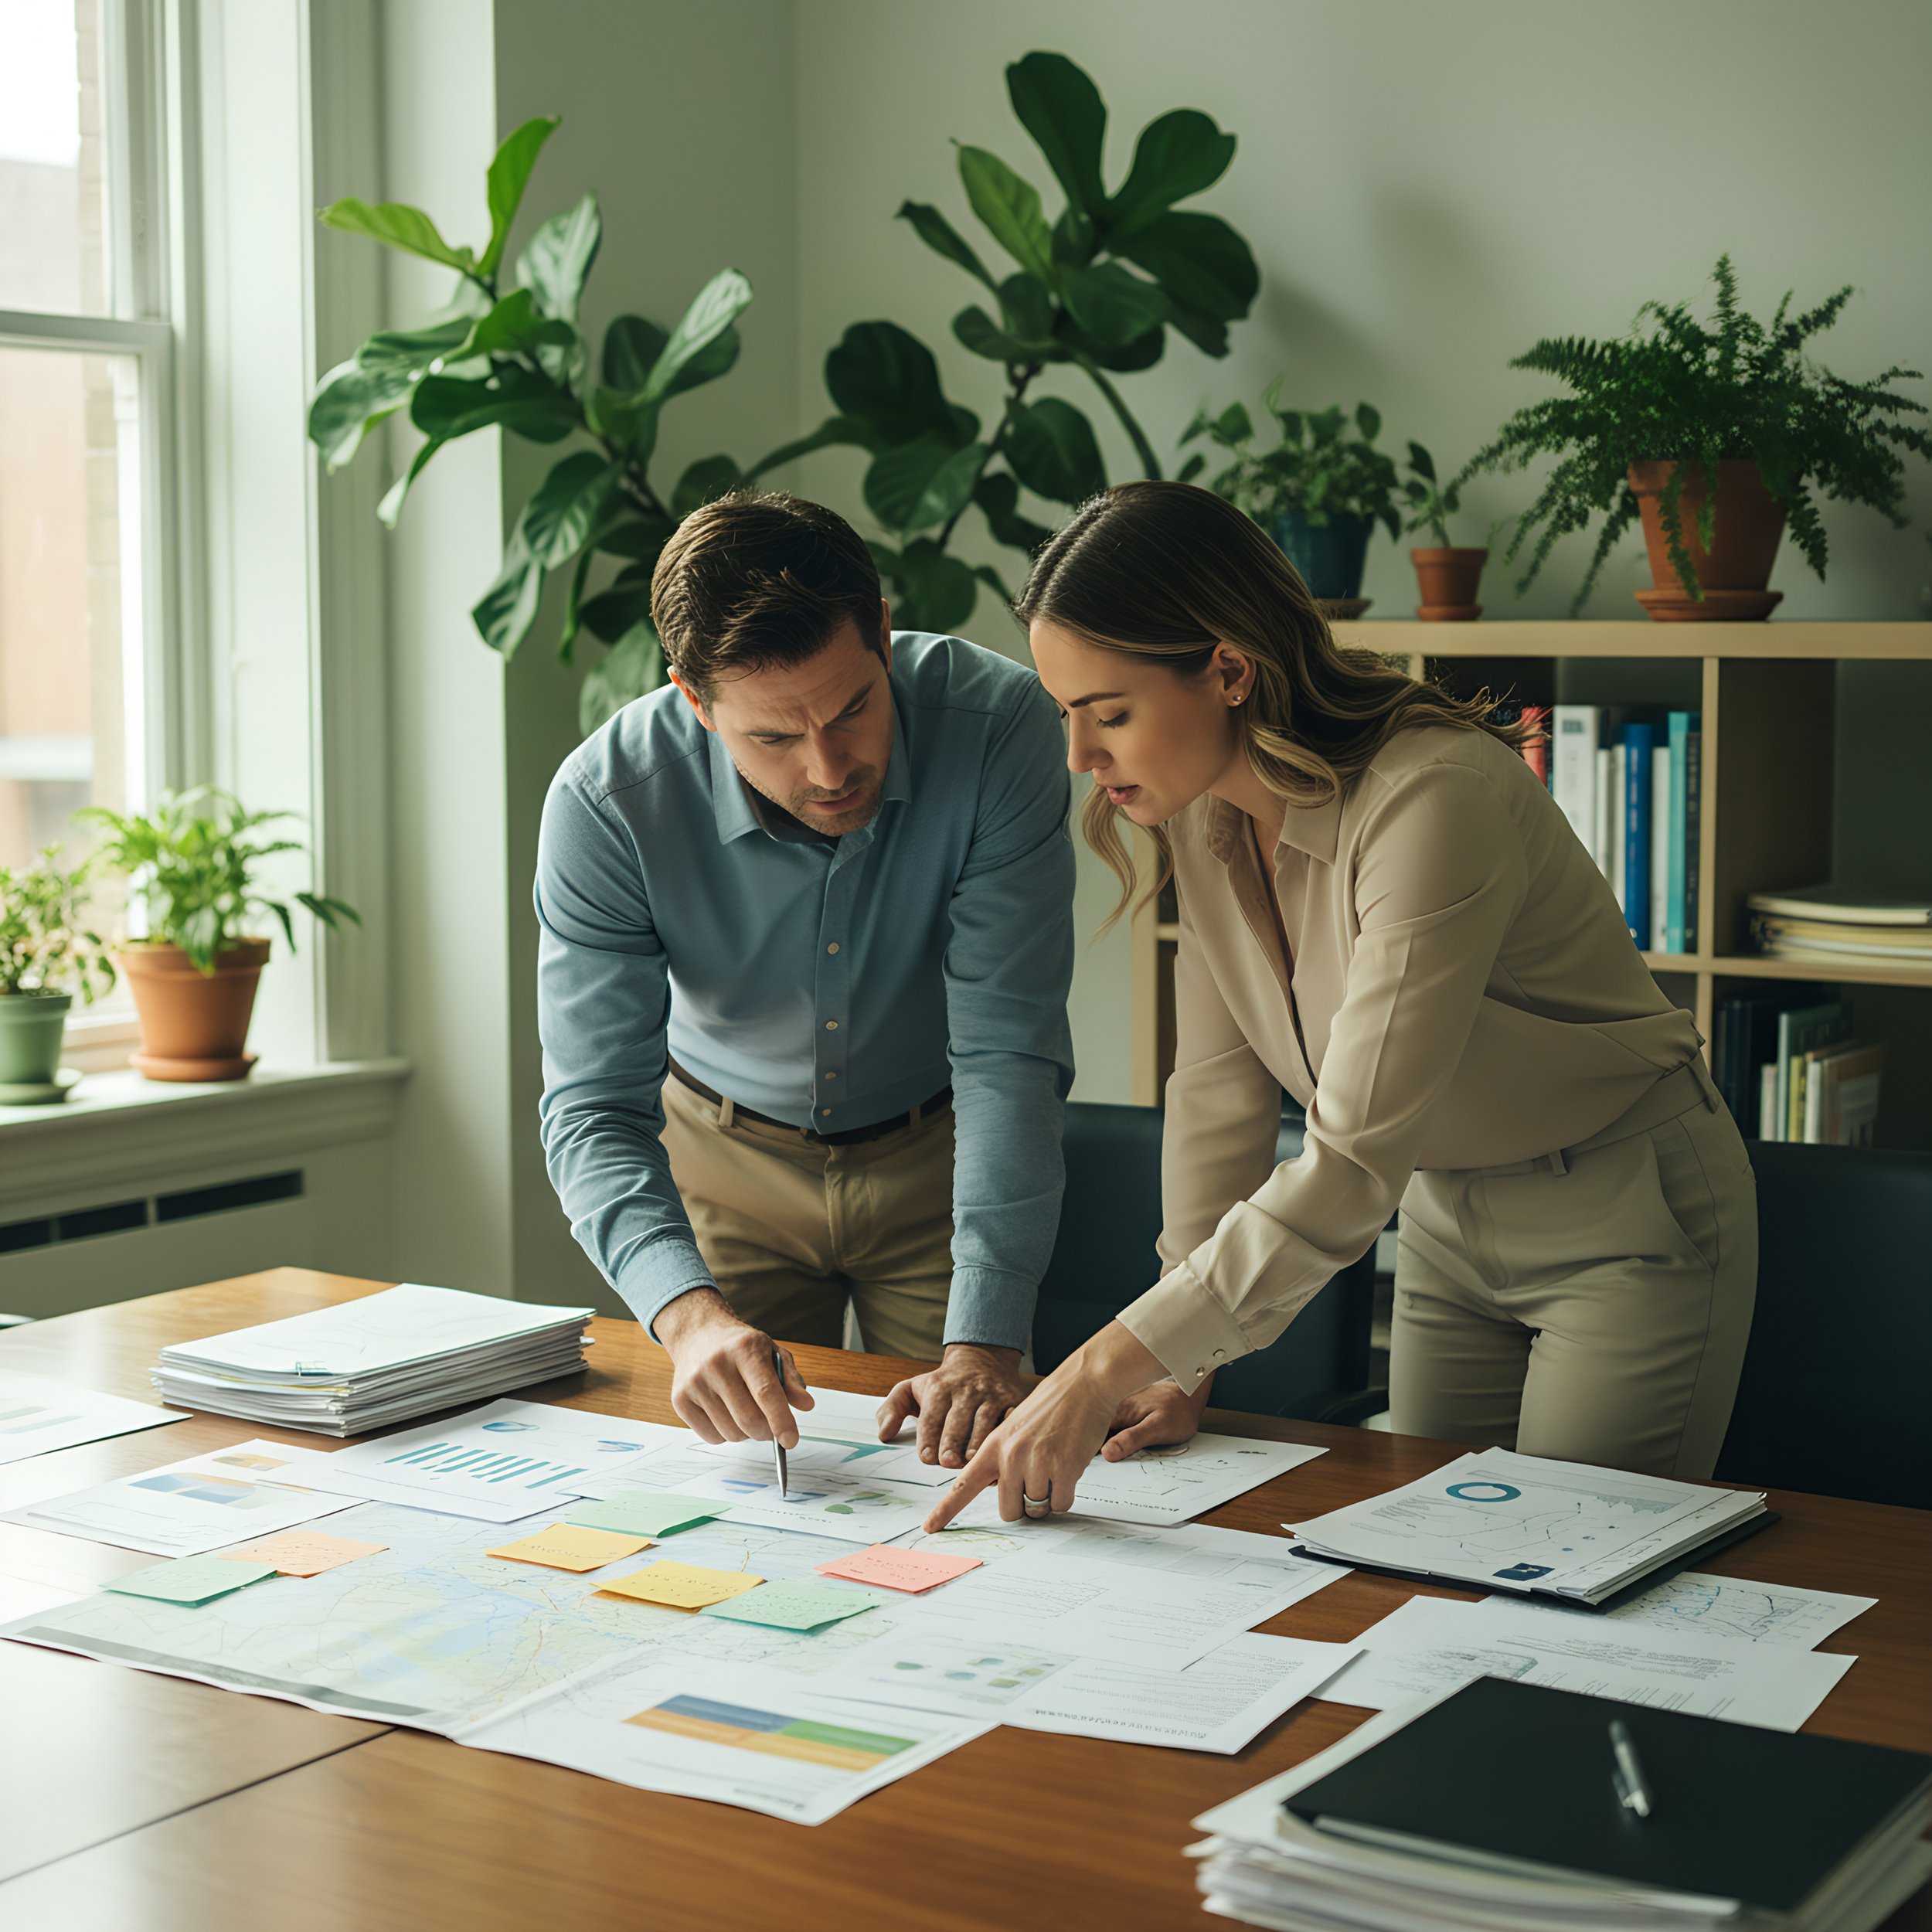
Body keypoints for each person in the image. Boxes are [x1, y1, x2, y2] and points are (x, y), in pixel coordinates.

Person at [927, 480, 1757, 1532]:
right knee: (1433, 1556)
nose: (1083, 761)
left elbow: (1352, 1157)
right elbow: (1217, 1091)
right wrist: (1184, 1359)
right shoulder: (1204, 816)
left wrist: (1092, 1372)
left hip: (1623, 1222)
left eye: (1112, 716)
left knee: (1559, 1567)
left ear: (1227, 669)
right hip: (1444, 1222)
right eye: (1068, 720)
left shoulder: (1433, 798)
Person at [536, 492, 1074, 1471]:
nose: (830, 767)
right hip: (723, 1169)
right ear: (694, 702)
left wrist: (986, 1340)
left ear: (881, 632)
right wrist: (688, 1318)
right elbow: (592, 1109)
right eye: (773, 739)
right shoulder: (605, 804)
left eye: (854, 708)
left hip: (941, 1157)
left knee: (964, 1470)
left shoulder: (999, 729)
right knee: (738, 1483)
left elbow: (1008, 1050)